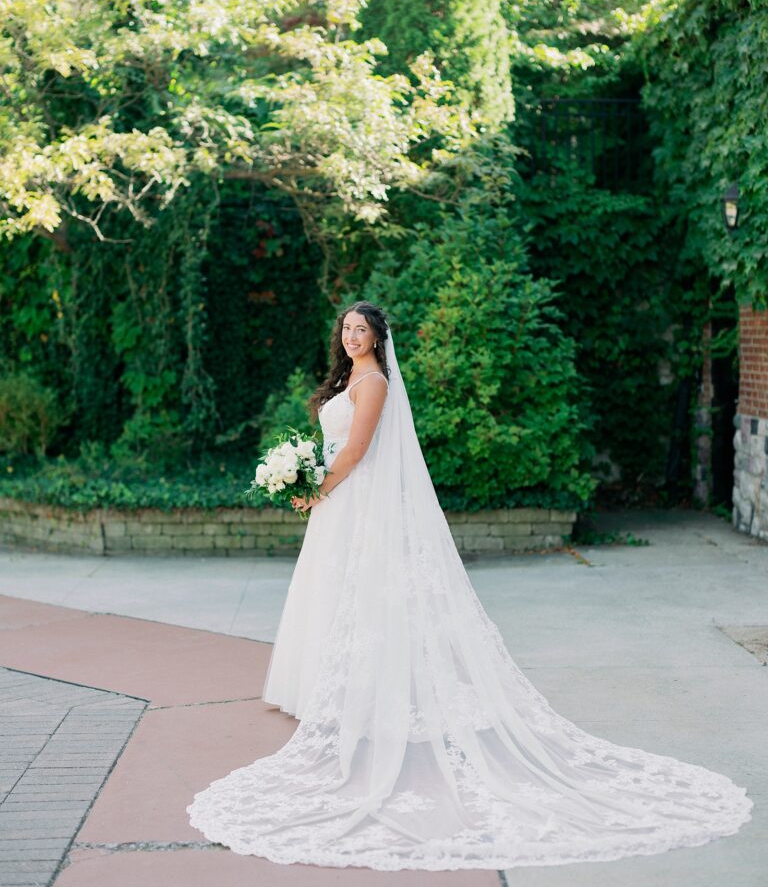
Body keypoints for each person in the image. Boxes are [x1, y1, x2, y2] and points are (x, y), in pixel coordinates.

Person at [187, 301, 752, 871]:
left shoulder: (375, 382)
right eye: (346, 328)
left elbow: (357, 451)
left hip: (355, 500)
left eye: (362, 329)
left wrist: (318, 488)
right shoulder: (347, 376)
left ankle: (371, 693)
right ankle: (323, 688)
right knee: (333, 596)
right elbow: (339, 446)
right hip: (340, 502)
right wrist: (306, 471)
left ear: (380, 338)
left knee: (369, 598)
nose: (352, 335)